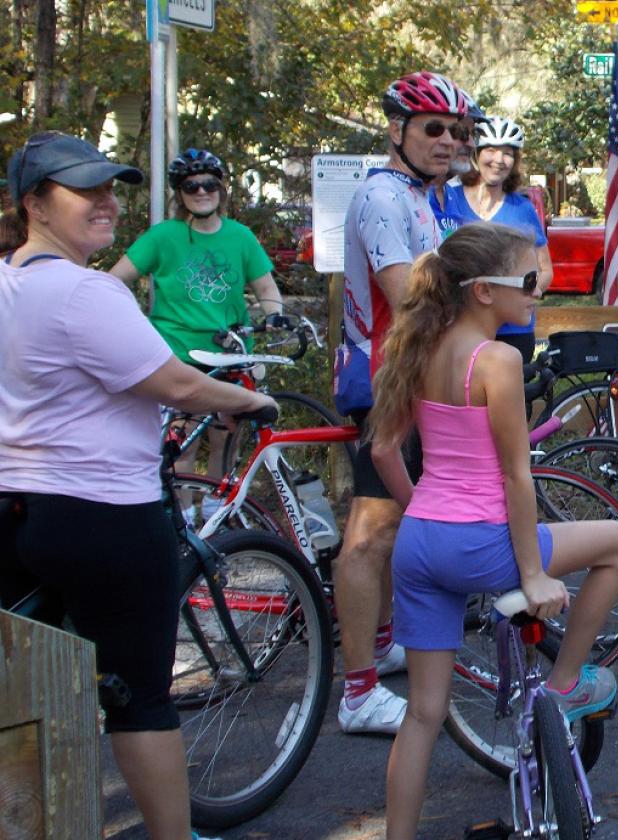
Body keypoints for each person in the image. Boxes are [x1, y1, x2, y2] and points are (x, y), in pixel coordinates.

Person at [0, 131, 275, 840]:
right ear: (34, 203)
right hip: (105, 514)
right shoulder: (85, 292)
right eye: (83, 191)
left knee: (24, 685)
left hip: (20, 508)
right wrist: (247, 400)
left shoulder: (9, 281)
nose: (105, 203)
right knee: (140, 697)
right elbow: (174, 382)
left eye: (110, 189)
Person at [370, 223, 618, 840]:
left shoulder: (418, 348)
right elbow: (515, 478)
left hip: (421, 544)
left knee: (423, 714)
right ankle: (566, 684)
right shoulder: (498, 359)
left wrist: (421, 513)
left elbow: (384, 451)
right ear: (484, 290)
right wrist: (534, 574)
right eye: (532, 280)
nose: (542, 289)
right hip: (481, 542)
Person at [331, 71, 483, 735]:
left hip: (419, 377)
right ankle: (358, 692)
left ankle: (385, 641)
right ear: (397, 131)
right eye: (433, 129)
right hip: (384, 379)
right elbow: (411, 294)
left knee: (396, 528)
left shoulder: (432, 196)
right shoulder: (381, 197)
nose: (448, 140)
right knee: (370, 534)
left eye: (457, 131)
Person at [110, 148, 286, 488]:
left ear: (221, 190)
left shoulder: (240, 236)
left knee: (225, 440)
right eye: (191, 186)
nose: (202, 191)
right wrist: (128, 324)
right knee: (181, 443)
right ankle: (184, 520)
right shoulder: (163, 237)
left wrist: (275, 317)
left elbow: (266, 286)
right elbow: (114, 280)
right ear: (180, 193)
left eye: (209, 184)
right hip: (178, 355)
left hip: (231, 353)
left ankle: (218, 513)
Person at [434, 116, 554, 363]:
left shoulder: (522, 208)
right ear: (476, 153)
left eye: (508, 153)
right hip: (462, 325)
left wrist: (526, 291)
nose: (499, 160)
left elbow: (545, 269)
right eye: (490, 150)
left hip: (514, 332)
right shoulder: (447, 199)